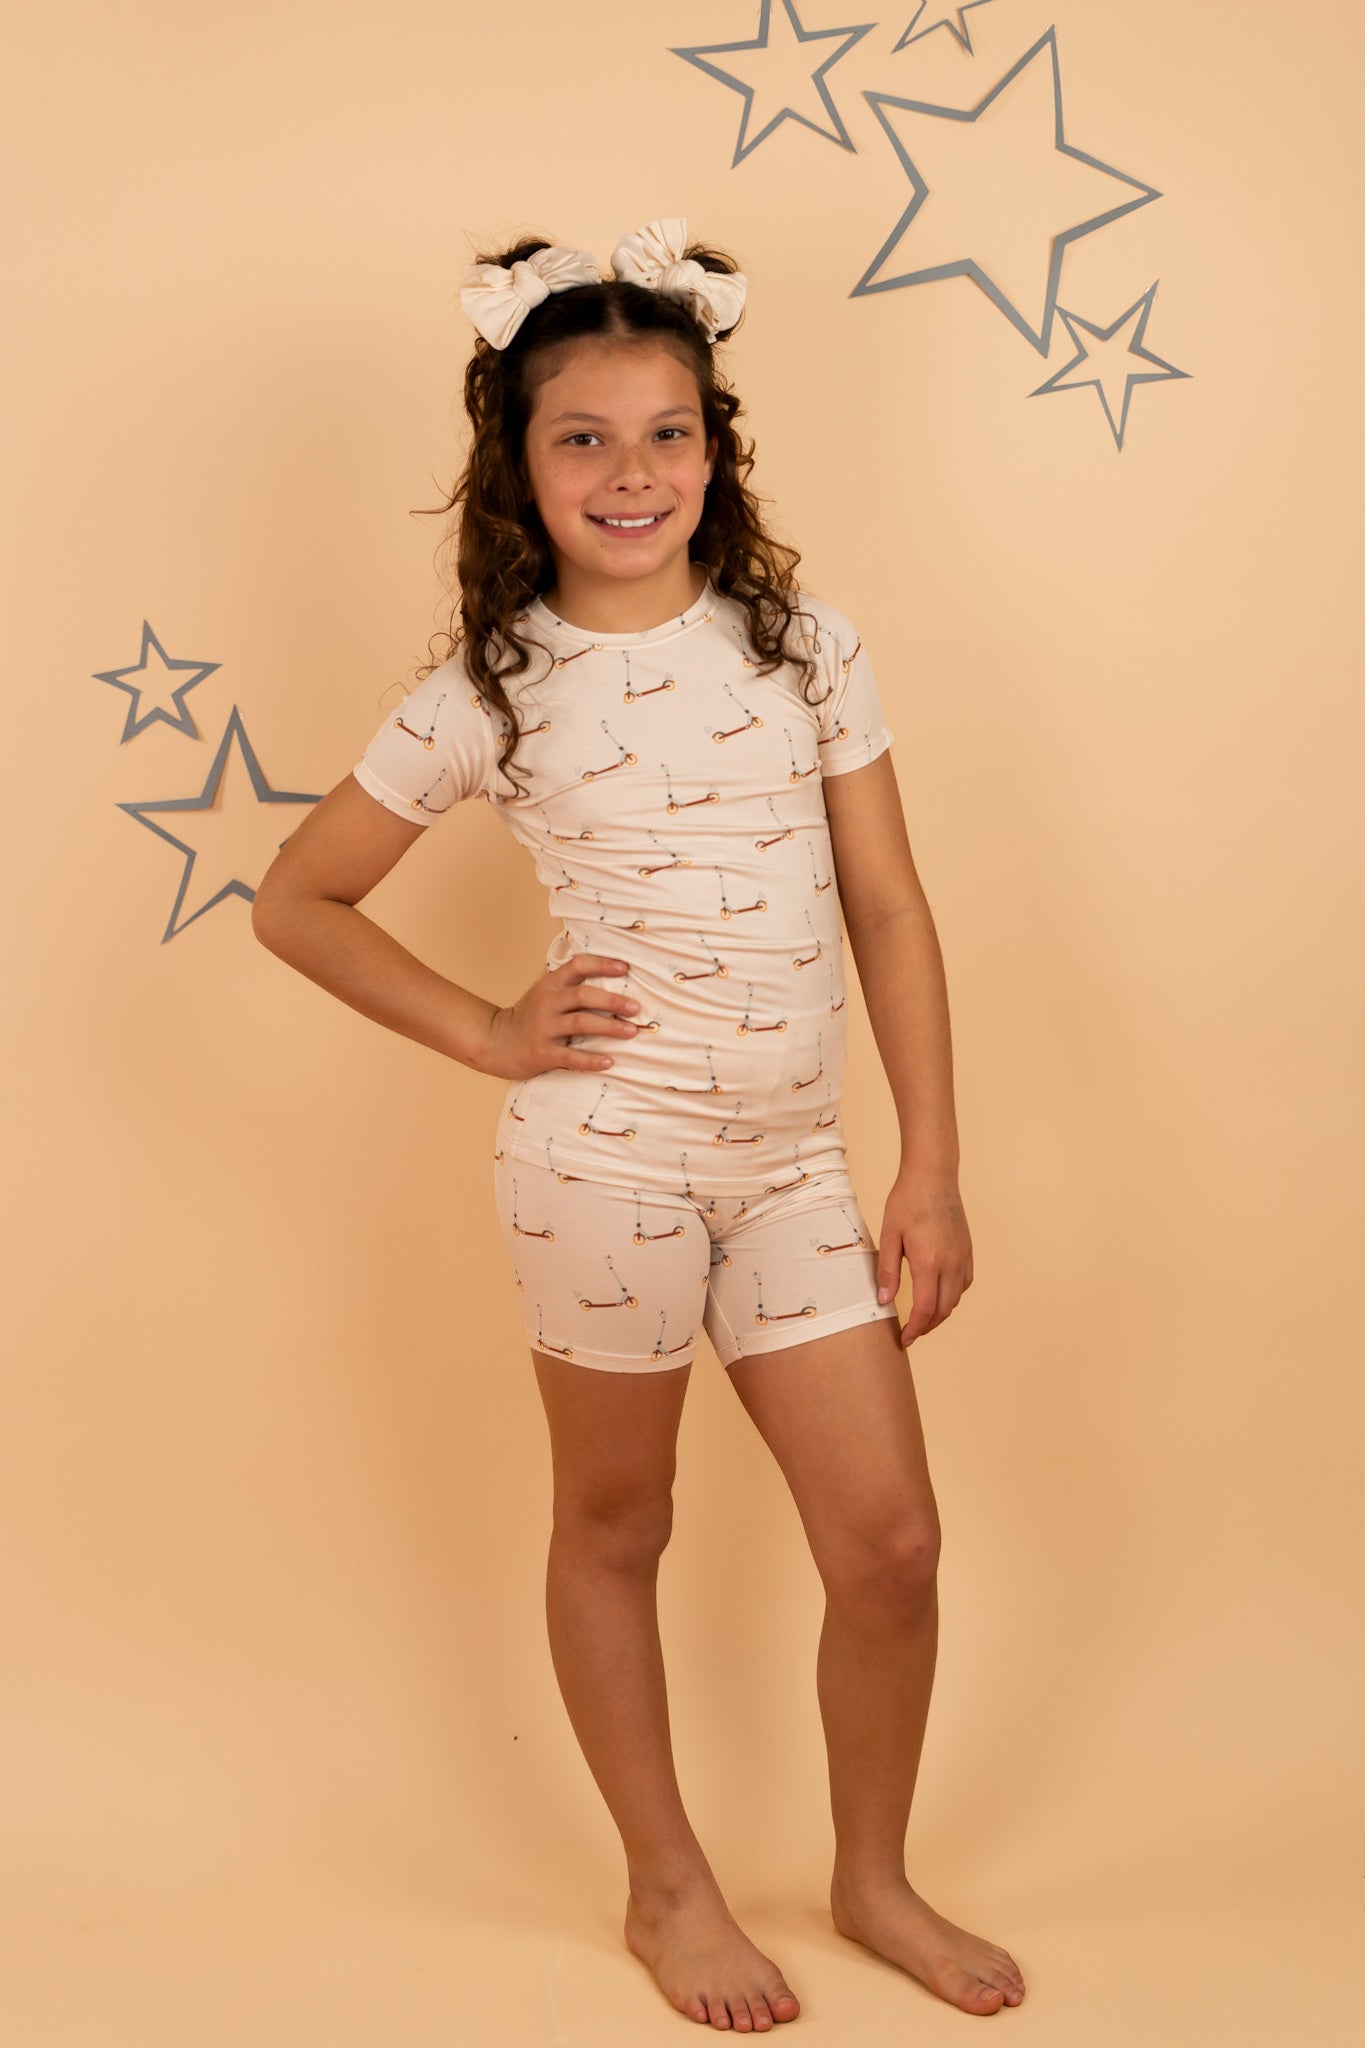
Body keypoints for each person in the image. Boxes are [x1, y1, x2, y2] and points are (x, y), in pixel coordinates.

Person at [252, 216, 1025, 2032]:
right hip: (606, 1166)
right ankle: (664, 1884)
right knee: (619, 1521)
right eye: (582, 437)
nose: (630, 471)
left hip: (794, 1167)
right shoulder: (489, 693)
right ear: (518, 470)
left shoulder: (802, 648)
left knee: (890, 1546)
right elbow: (297, 900)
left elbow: (889, 907)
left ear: (713, 450)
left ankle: (870, 1876)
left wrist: (927, 1161)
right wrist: (486, 1030)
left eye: (666, 432)